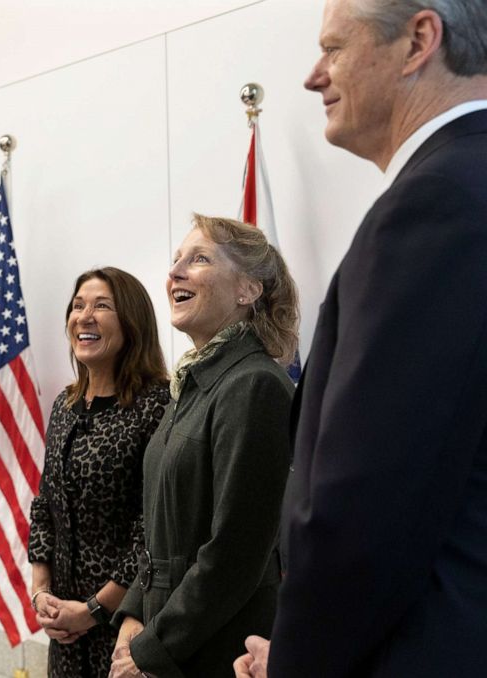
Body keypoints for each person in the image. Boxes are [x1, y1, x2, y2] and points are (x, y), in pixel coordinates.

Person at [233, 2, 487, 677]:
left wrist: (297, 661)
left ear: (418, 40)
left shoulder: (435, 204)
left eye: (334, 48)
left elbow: (365, 505)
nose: (315, 76)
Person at [111, 215, 297, 678]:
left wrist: (151, 649)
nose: (174, 272)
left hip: (217, 651)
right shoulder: (194, 384)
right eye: (176, 260)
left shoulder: (255, 385)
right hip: (167, 632)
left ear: (247, 290)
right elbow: (161, 533)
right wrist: (133, 613)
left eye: (198, 259)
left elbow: (235, 555)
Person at [28, 267, 171, 677]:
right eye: (78, 306)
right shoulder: (65, 404)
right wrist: (42, 593)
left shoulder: (157, 405)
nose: (84, 316)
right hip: (64, 629)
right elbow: (44, 505)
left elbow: (153, 530)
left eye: (101, 306)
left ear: (131, 321)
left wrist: (92, 610)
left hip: (126, 625)